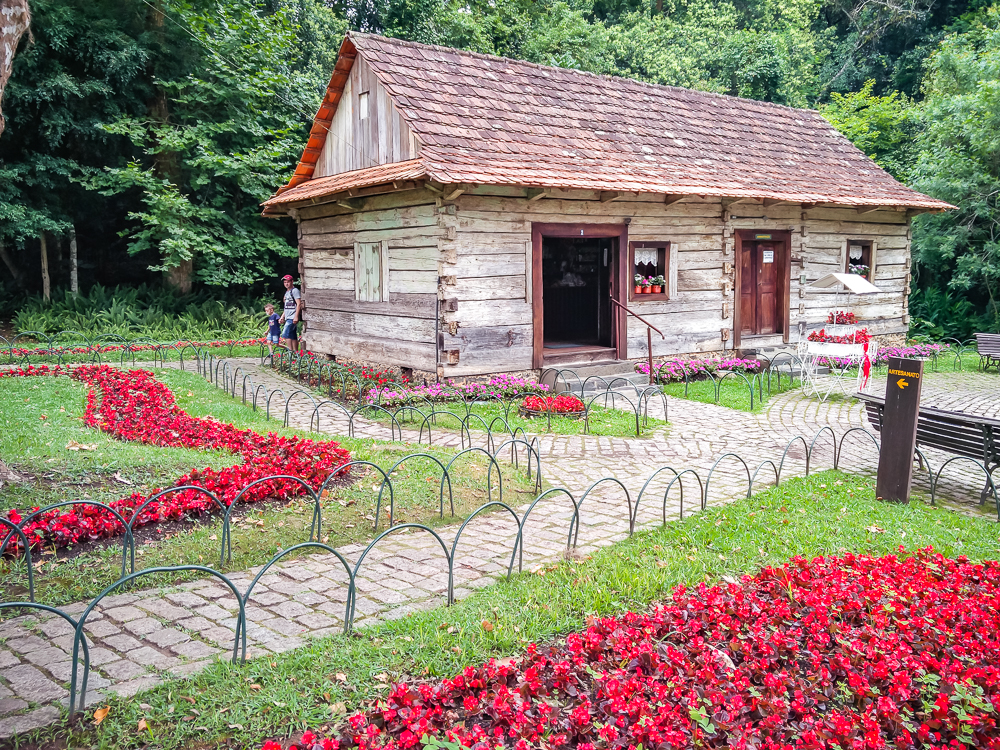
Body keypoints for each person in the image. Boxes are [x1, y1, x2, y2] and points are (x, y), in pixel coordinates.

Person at [279, 274, 302, 352]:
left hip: (292, 316)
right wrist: (282, 317)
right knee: (292, 335)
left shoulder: (295, 291)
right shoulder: (287, 293)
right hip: (288, 316)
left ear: (292, 282)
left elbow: (299, 303)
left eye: (288, 282)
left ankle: (290, 351)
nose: (286, 284)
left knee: (286, 334)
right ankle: (296, 352)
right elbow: (286, 307)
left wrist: (296, 316)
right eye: (285, 282)